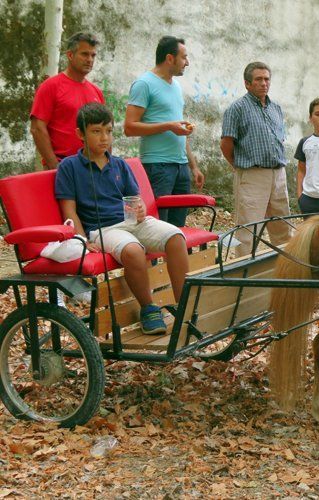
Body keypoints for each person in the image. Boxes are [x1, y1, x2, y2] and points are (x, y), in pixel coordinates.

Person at [56, 103, 190, 335]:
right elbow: (70, 210)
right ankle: (148, 309)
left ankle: (185, 308)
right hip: (103, 229)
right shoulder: (69, 167)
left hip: (133, 222)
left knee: (176, 237)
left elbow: (136, 200)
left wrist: (139, 209)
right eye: (96, 131)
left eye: (108, 131)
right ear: (80, 134)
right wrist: (80, 240)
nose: (104, 138)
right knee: (133, 251)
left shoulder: (119, 164)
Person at [124, 35, 204, 228]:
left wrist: (193, 166)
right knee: (157, 227)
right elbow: (129, 127)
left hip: (180, 167)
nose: (187, 62)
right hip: (157, 166)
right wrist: (168, 126)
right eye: (184, 57)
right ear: (170, 58)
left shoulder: (175, 86)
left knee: (178, 228)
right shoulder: (144, 84)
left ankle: (173, 260)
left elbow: (179, 129)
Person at [220, 61, 290, 256]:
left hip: (278, 174)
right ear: (247, 83)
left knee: (282, 227)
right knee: (248, 230)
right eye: (258, 79)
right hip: (252, 175)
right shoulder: (237, 109)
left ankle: (285, 272)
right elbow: (226, 144)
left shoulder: (275, 108)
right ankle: (245, 279)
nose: (263, 83)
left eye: (267, 79)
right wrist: (240, 168)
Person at [30, 32, 104, 170]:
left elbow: (105, 129)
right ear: (70, 55)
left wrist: (107, 164)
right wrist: (54, 166)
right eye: (84, 54)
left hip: (94, 168)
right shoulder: (50, 86)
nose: (90, 59)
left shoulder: (96, 92)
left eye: (93, 55)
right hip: (63, 166)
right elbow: (37, 128)